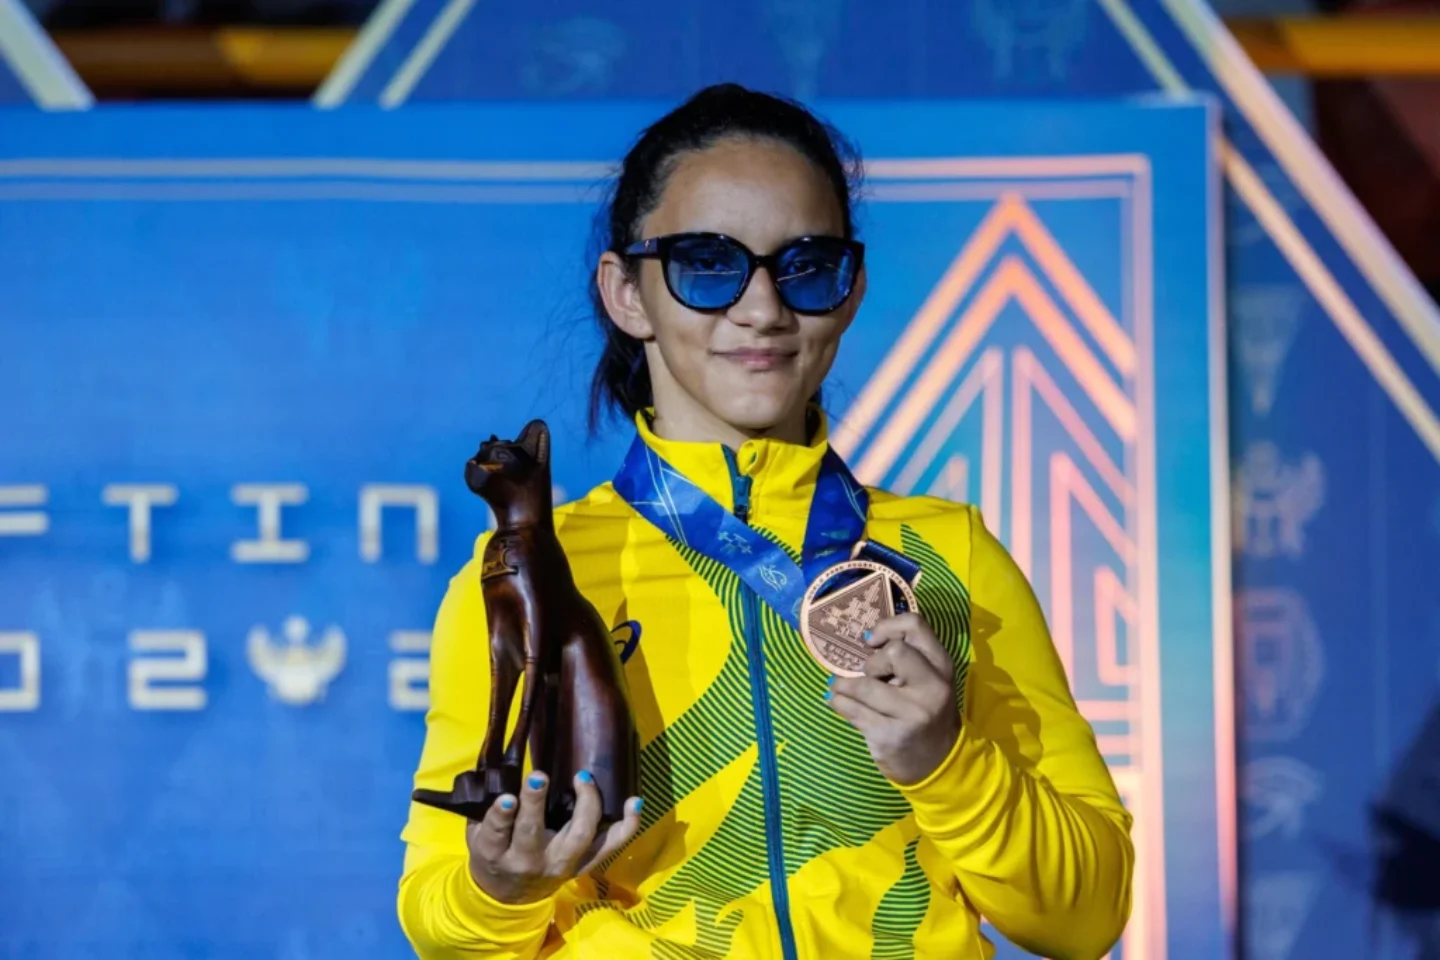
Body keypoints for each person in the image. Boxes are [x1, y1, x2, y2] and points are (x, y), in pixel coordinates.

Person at [398, 83, 1134, 960]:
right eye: (707, 264)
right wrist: (499, 892)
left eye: (806, 265)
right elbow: (438, 920)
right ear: (628, 293)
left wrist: (950, 764)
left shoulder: (949, 556)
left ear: (851, 290)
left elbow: (1088, 917)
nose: (762, 307)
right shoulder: (539, 568)